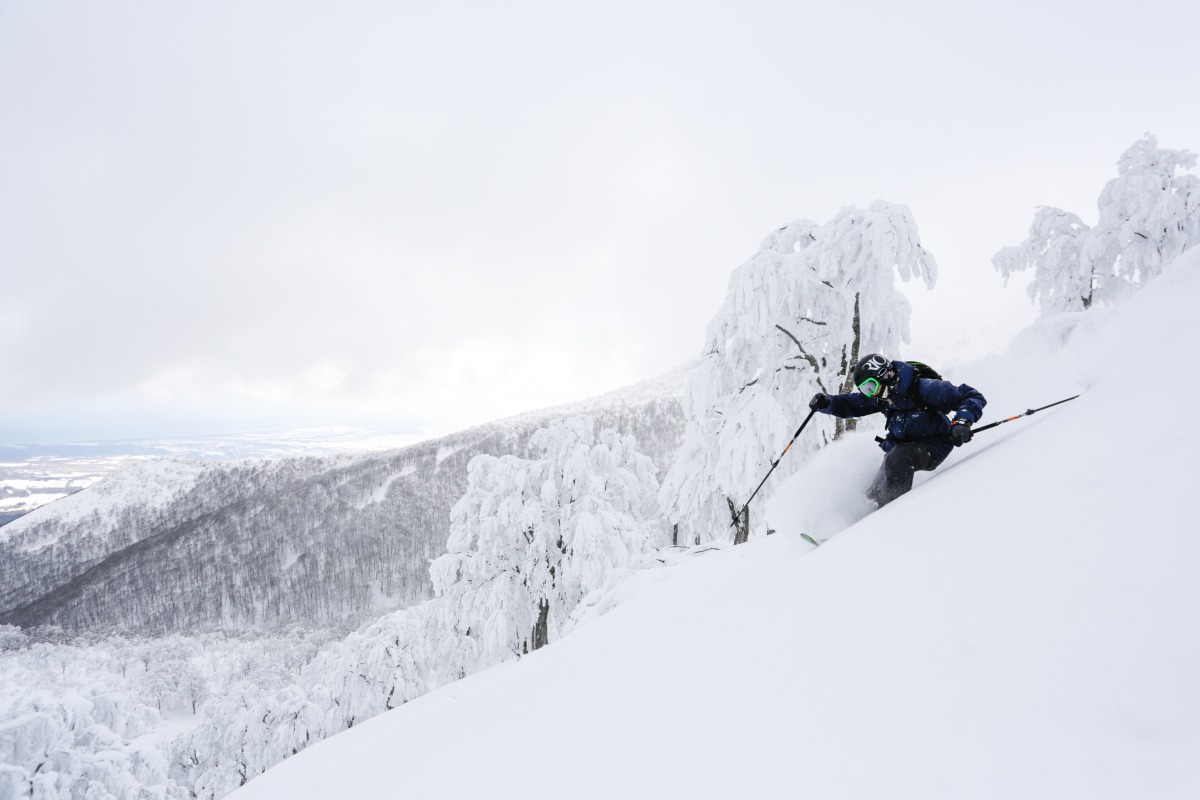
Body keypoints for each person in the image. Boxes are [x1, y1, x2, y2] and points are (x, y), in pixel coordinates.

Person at [809, 353, 987, 507]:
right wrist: (828, 403)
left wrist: (962, 422)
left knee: (898, 459)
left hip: (935, 444)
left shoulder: (924, 388)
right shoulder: (882, 397)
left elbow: (970, 396)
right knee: (877, 486)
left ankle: (889, 515)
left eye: (870, 387)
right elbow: (850, 403)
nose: (871, 394)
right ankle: (864, 519)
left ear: (886, 375)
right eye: (865, 390)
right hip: (901, 447)